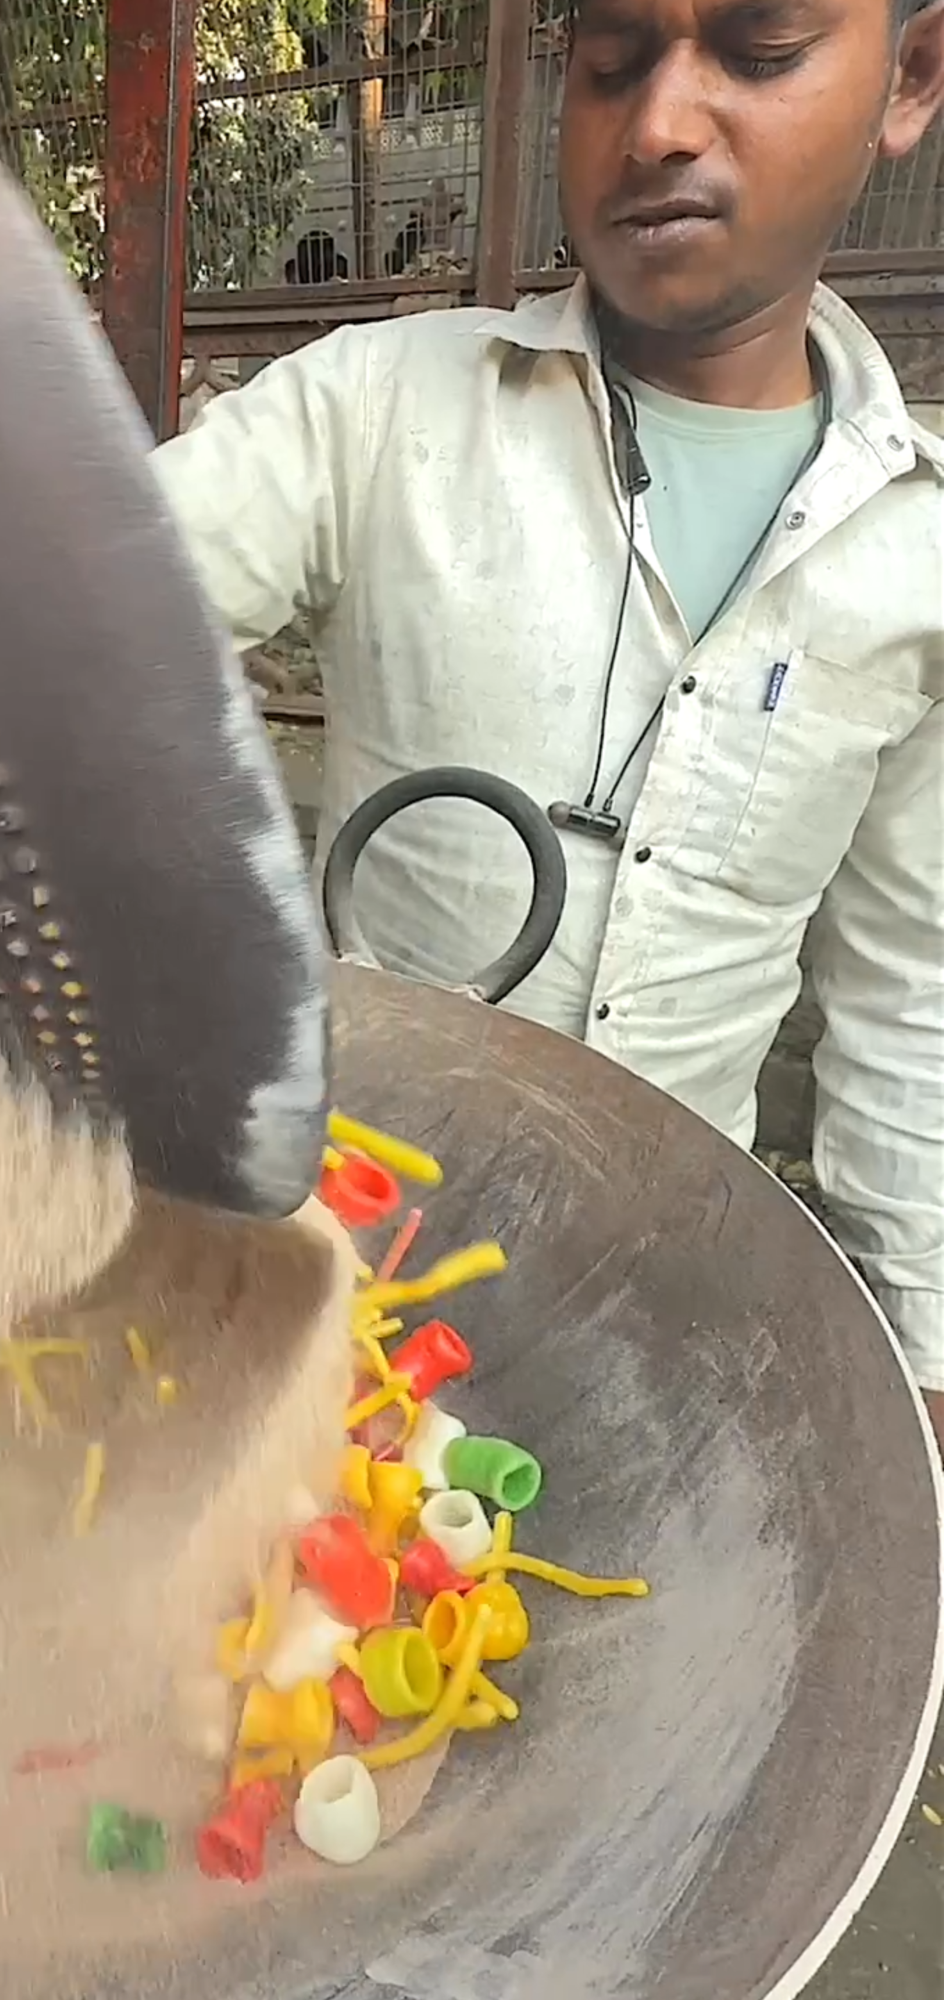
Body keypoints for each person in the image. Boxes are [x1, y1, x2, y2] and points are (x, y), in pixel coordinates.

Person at [152, 0, 944, 1449]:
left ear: (910, 78)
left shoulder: (920, 560)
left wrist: (926, 1385)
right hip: (330, 1274)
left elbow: (912, 1005)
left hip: (668, 1330)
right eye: (610, 63)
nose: (658, 126)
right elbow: (54, 614)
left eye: (759, 56)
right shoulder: (378, 412)